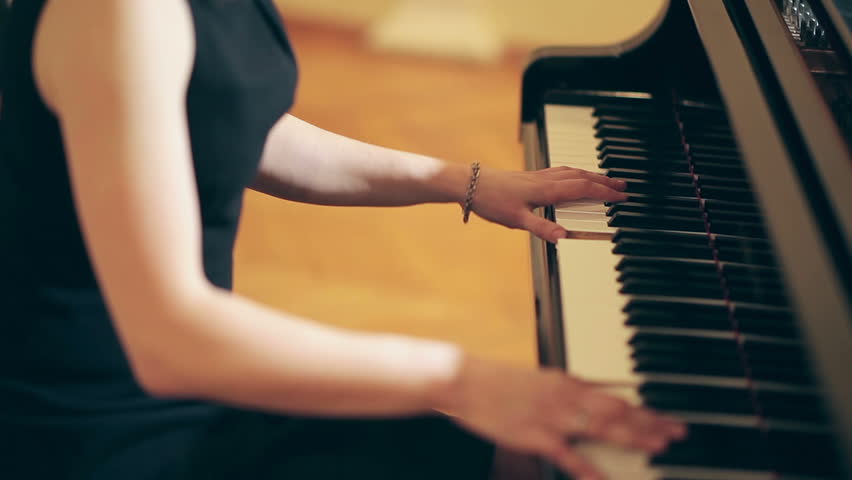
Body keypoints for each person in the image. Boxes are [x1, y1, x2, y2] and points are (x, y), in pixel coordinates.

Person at [0, 1, 686, 479]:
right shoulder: (118, 11)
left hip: (201, 386)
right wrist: (463, 379)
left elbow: (226, 120)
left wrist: (464, 181)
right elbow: (167, 343)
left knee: (515, 460)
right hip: (107, 429)